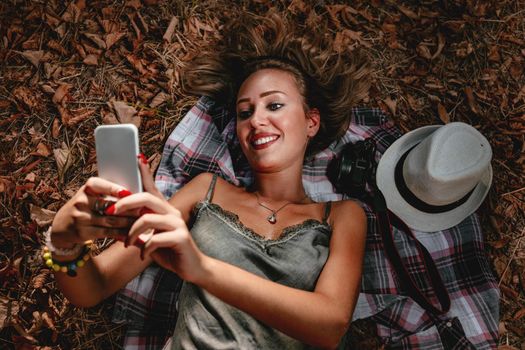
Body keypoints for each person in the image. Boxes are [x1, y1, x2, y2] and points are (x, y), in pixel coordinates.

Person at [45, 13, 370, 349]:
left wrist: (201, 269)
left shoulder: (342, 215)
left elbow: (330, 325)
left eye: (274, 105)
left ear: (311, 121)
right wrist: (64, 243)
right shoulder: (207, 189)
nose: (257, 120)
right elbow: (93, 288)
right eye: (245, 113)